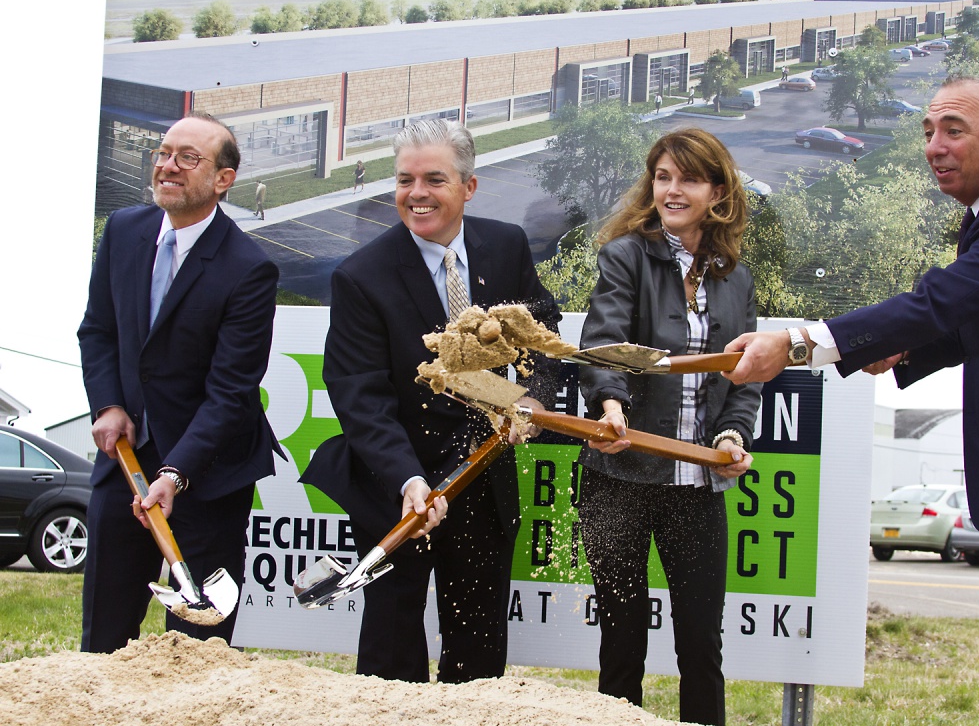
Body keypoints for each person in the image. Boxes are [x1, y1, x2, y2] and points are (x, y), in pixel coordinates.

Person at [723, 76, 979, 726]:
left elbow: (941, 303)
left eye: (954, 129)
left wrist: (797, 345)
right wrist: (905, 351)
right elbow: (975, 319)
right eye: (927, 131)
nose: (934, 146)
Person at [300, 119, 562, 683]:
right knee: (392, 656)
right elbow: (359, 396)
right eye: (404, 179)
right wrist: (409, 482)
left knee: (478, 655)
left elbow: (542, 333)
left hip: (483, 480)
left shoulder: (506, 245)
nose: (416, 193)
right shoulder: (360, 277)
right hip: (399, 490)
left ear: (468, 187)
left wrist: (530, 401)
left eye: (434, 179)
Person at [576, 128, 760, 726]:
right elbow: (604, 343)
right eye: (662, 177)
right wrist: (609, 404)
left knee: (702, 648)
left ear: (717, 190)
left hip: (699, 490)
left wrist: (732, 438)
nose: (672, 190)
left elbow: (744, 377)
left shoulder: (738, 277)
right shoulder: (625, 254)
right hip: (619, 479)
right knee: (622, 646)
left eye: (687, 178)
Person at [78, 113, 281, 653]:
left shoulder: (249, 268)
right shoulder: (124, 230)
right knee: (103, 638)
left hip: (209, 478)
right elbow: (98, 330)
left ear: (223, 179)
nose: (168, 166)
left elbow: (231, 391)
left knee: (197, 651)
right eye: (163, 153)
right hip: (125, 465)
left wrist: (176, 472)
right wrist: (108, 405)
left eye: (187, 158)